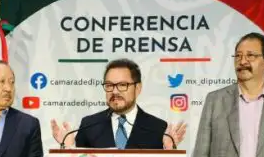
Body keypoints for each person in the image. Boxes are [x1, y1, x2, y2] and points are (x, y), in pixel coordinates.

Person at [51, 58, 186, 148]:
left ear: (137, 88)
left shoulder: (157, 127)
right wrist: (68, 149)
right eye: (109, 85)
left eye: (122, 85)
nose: (115, 91)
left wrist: (169, 152)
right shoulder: (89, 125)